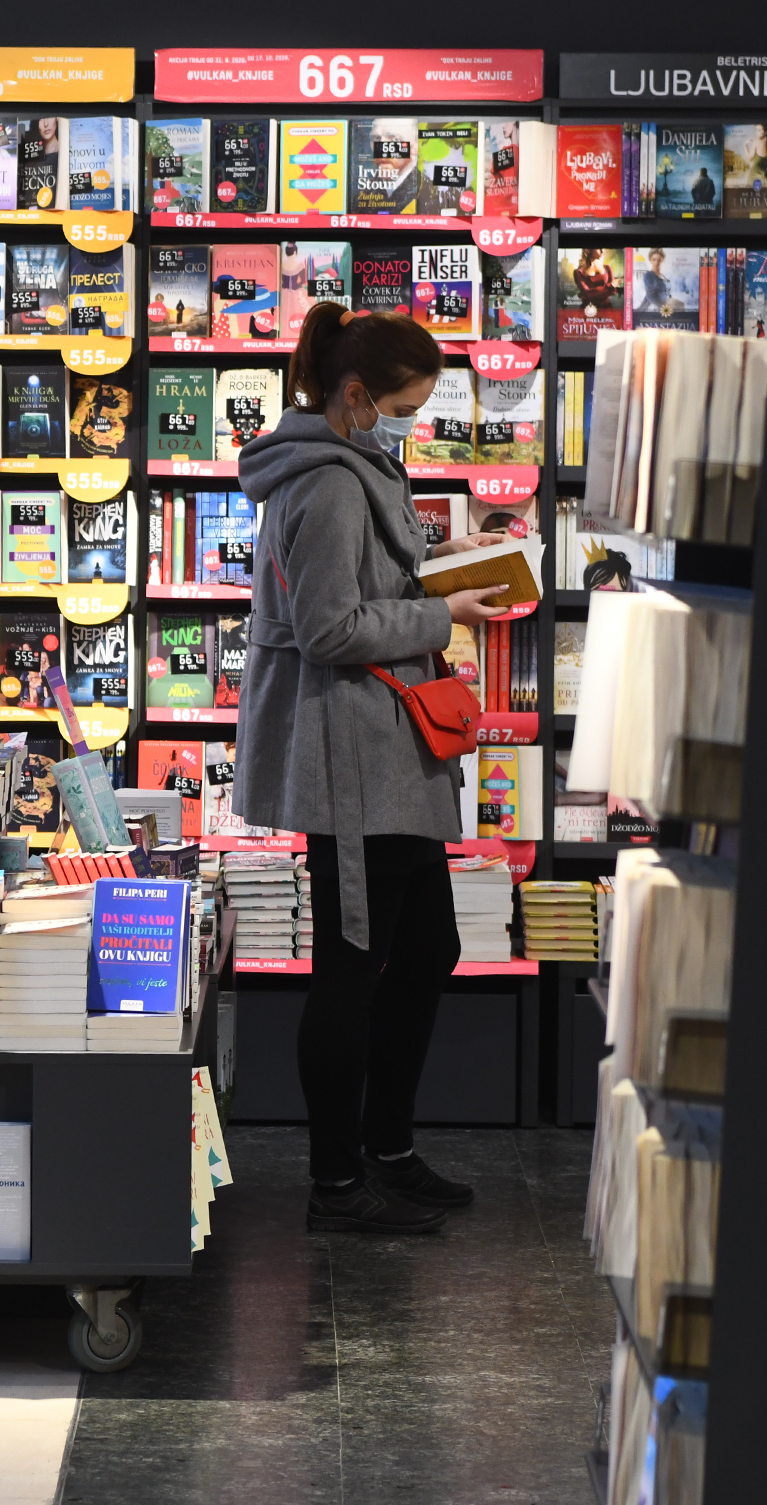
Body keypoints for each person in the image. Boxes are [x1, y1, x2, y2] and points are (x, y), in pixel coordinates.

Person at [236, 302, 513, 1233]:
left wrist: (442, 564)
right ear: (355, 397)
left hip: (391, 749)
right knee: (351, 968)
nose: (410, 426)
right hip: (354, 756)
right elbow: (328, 628)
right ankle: (337, 1180)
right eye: (403, 409)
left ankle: (387, 1146)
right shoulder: (328, 484)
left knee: (427, 948)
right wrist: (445, 614)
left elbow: (366, 580)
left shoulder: (358, 463)